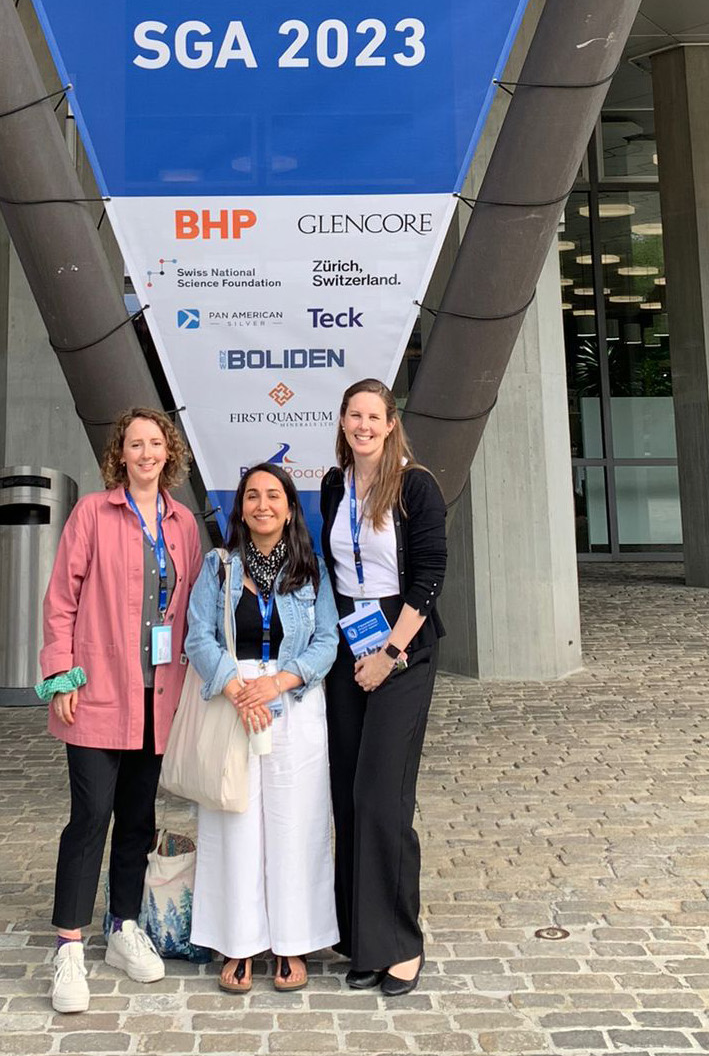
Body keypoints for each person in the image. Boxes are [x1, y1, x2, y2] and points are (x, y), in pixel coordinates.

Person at [39, 407, 202, 1015]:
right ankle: (70, 947)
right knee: (90, 816)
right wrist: (60, 673)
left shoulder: (182, 523)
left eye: (155, 444)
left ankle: (124, 927)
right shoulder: (92, 514)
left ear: (169, 453)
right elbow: (62, 598)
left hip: (158, 697)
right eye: (135, 444)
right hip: (98, 693)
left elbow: (187, 611)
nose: (146, 453)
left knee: (137, 819)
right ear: (121, 454)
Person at [185, 462, 339, 993]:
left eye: (274, 495)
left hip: (293, 703)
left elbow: (327, 642)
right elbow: (198, 637)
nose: (263, 504)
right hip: (233, 703)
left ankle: (294, 941)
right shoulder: (219, 567)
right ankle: (239, 942)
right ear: (241, 508)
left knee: (296, 824)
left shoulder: (312, 569)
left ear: (290, 507)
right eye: (252, 495)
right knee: (236, 822)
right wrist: (236, 688)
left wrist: (278, 684)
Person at [320, 378, 447, 998]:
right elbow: (330, 572)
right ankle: (362, 942)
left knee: (381, 796)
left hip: (404, 648)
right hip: (349, 646)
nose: (363, 425)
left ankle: (400, 943)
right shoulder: (330, 486)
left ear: (391, 423)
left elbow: (429, 576)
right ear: (343, 422)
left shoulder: (416, 486)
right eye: (353, 415)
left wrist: (390, 653)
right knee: (346, 795)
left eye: (373, 416)